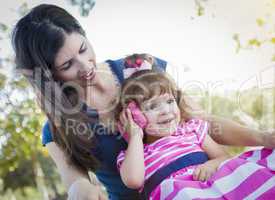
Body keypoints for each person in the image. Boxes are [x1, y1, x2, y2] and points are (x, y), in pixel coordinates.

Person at [11, 4, 275, 200]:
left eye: (82, 49)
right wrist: (83, 191)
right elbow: (75, 181)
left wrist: (263, 138)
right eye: (67, 64)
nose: (84, 66)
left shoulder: (140, 68)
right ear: (50, 74)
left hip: (205, 185)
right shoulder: (58, 126)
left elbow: (202, 122)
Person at [116, 70, 275, 199]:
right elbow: (134, 181)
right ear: (134, 116)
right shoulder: (134, 155)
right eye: (153, 106)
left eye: (170, 101)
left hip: (220, 184)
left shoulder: (191, 130)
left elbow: (224, 157)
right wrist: (135, 135)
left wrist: (211, 164)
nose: (166, 111)